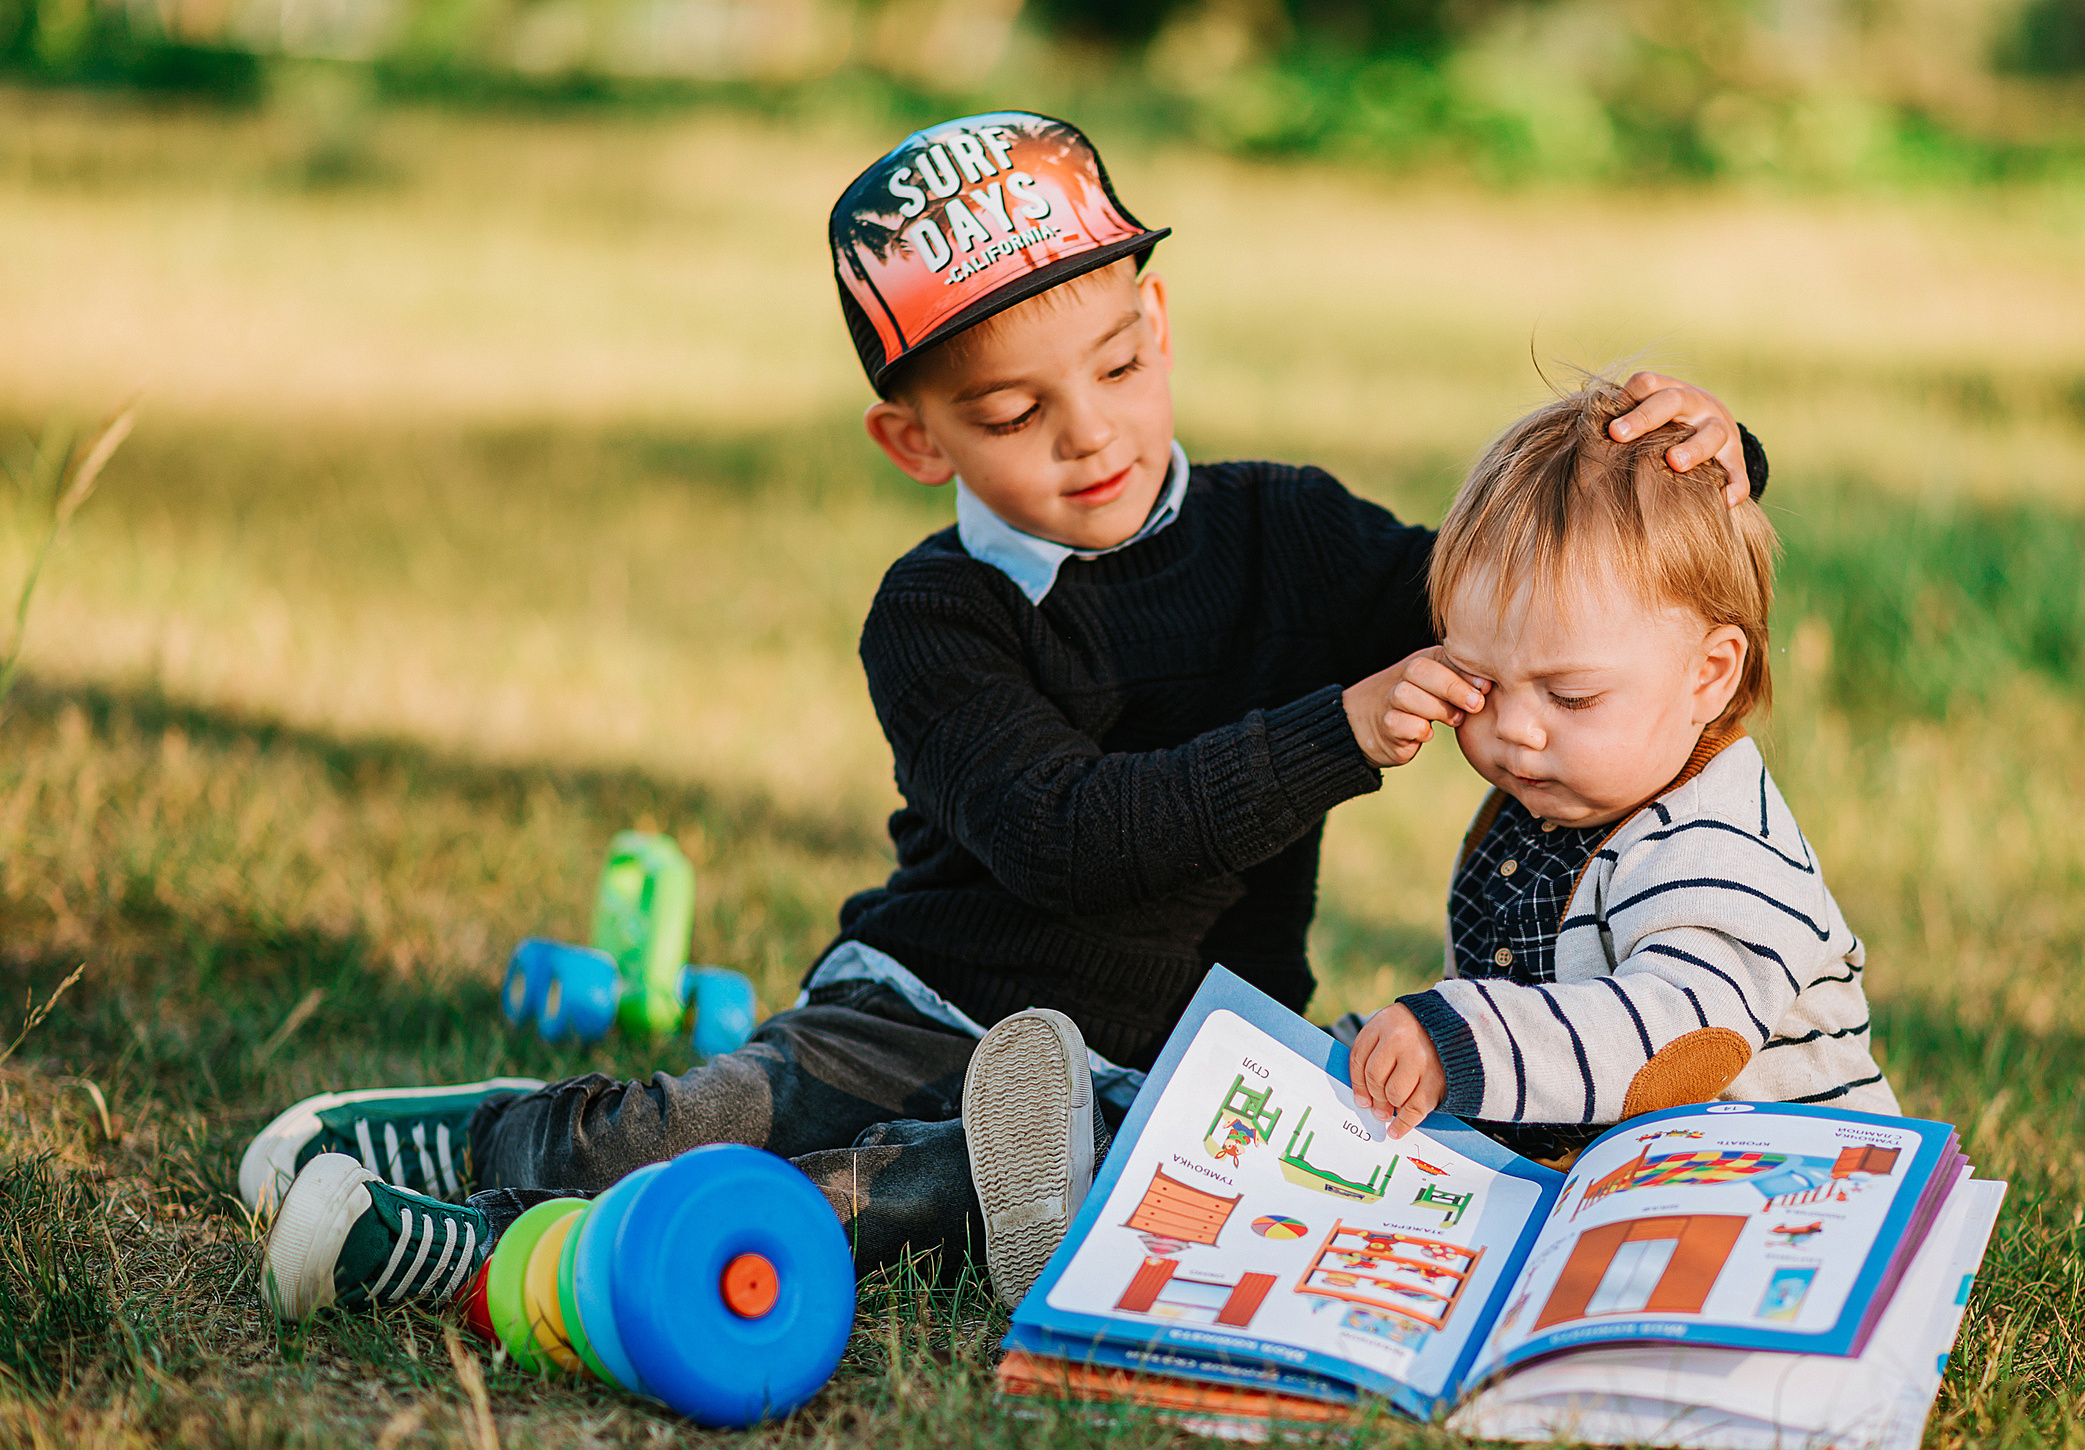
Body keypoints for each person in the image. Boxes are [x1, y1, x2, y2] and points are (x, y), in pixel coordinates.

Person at [247, 112, 1772, 1324]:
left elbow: (1543, 591)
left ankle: (460, 1259)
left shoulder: (1289, 538)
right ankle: (482, 1144)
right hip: (919, 997)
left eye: (1115, 367)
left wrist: (1699, 459)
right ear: (913, 438)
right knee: (710, 1118)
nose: (1089, 430)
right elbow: (1064, 840)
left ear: (1159, 323)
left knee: (890, 1198)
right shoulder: (937, 617)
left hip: (1158, 1070)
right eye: (1011, 412)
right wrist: (1333, 730)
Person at [1343, 378, 1893, 1161]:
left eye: (1570, 696)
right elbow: (1523, 994)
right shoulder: (1551, 800)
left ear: (1708, 674)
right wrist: (1372, 1051)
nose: (1516, 730)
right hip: (1625, 1194)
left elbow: (1670, 1038)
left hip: (1789, 1202)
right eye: (1482, 682)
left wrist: (1459, 1038)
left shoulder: (1721, 845)